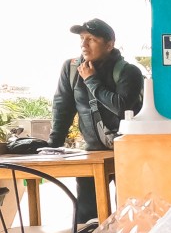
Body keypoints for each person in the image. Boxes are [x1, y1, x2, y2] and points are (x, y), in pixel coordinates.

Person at [49, 19, 144, 222]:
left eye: (91, 39)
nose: (84, 44)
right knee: (86, 215)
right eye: (82, 39)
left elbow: (122, 107)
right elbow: (63, 107)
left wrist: (92, 81)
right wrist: (53, 145)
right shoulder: (72, 69)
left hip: (126, 151)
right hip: (92, 154)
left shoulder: (129, 72)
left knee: (128, 212)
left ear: (109, 44)